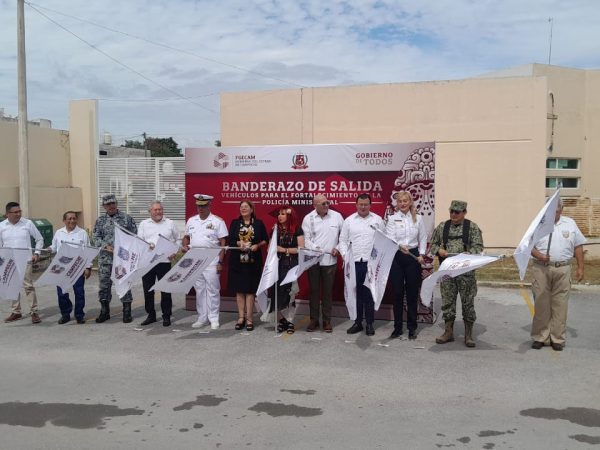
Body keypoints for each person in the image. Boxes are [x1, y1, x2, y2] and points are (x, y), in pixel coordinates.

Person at [530, 201, 586, 351]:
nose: (552, 214)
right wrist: (540, 256)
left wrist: (581, 267)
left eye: (555, 210)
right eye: (549, 210)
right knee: (541, 303)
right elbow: (529, 246)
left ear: (561, 210)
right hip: (542, 268)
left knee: (560, 305)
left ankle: (557, 338)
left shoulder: (570, 224)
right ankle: (540, 337)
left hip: (563, 269)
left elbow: (578, 246)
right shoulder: (538, 223)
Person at [429, 200, 484, 347]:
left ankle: (468, 335)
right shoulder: (442, 227)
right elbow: (432, 245)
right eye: (451, 211)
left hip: (466, 272)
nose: (453, 214)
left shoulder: (472, 227)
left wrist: (469, 253)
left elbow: (479, 247)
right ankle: (448, 332)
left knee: (468, 303)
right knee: (447, 302)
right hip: (447, 271)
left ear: (464, 212)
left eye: (457, 212)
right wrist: (439, 250)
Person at [338, 194, 384, 336]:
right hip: (354, 263)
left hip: (371, 264)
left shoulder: (378, 220)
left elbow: (383, 240)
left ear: (370, 205)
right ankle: (357, 322)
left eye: (366, 204)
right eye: (360, 204)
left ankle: (369, 323)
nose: (363, 207)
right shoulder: (349, 221)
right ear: (356, 204)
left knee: (369, 294)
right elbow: (342, 241)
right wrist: (345, 255)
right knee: (356, 293)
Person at [385, 191, 427, 340]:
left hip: (413, 257)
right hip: (397, 256)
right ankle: (397, 328)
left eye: (405, 201)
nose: (402, 203)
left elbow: (423, 237)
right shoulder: (392, 219)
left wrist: (421, 254)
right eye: (400, 201)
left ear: (410, 202)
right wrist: (398, 245)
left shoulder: (418, 218)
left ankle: (412, 328)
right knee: (397, 293)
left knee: (412, 293)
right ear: (396, 203)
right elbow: (389, 238)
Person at [182, 194, 228, 330]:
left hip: (211, 259)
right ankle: (202, 317)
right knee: (199, 290)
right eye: (198, 206)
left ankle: (214, 318)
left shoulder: (217, 221)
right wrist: (184, 246)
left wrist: (220, 262)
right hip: (195, 259)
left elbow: (223, 243)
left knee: (213, 290)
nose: (200, 209)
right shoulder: (191, 220)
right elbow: (186, 237)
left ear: (209, 205)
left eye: (203, 206)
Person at [302, 194, 344, 332]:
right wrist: (317, 249)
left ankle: (327, 320)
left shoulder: (337, 216)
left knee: (327, 292)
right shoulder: (308, 218)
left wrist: (338, 248)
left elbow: (344, 236)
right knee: (314, 291)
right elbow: (306, 239)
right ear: (315, 205)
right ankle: (314, 320)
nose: (327, 205)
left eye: (327, 202)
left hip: (330, 261)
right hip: (313, 260)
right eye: (323, 203)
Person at [93, 194, 137, 323]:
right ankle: (104, 311)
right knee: (104, 286)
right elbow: (96, 237)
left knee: (124, 283)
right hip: (105, 259)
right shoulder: (100, 221)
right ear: (104, 206)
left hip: (122, 260)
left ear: (116, 204)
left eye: (113, 203)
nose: (111, 206)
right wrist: (105, 245)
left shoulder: (126, 218)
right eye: (108, 204)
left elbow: (134, 235)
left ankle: (127, 312)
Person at [227, 200, 268, 332]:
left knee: (250, 290)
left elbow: (265, 239)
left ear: (251, 209)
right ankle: (241, 318)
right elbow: (230, 240)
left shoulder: (258, 223)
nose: (243, 209)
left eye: (246, 207)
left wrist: (257, 245)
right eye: (241, 207)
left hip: (253, 262)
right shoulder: (235, 223)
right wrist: (238, 243)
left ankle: (249, 318)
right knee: (239, 290)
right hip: (237, 261)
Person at [137, 201, 179, 327]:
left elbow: (178, 239)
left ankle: (166, 316)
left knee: (165, 289)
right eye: (155, 210)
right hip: (148, 262)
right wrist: (146, 247)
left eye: (160, 209)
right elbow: (139, 241)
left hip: (164, 261)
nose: (158, 212)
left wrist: (174, 251)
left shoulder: (170, 223)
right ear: (150, 211)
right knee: (148, 290)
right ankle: (151, 315)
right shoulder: (144, 224)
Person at [1, 202, 44, 324]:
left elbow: (39, 239)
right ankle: (16, 312)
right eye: (15, 212)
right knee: (12, 286)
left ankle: (34, 312)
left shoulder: (27, 223)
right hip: (9, 262)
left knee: (28, 286)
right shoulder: (1, 226)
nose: (18, 214)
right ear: (8, 214)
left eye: (19, 211)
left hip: (25, 260)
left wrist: (36, 253)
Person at [50, 211, 92, 324]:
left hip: (77, 267)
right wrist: (48, 249)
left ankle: (79, 314)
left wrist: (88, 267)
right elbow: (54, 247)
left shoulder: (82, 233)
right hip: (61, 267)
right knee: (61, 293)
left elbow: (87, 250)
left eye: (74, 218)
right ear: (64, 220)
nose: (72, 221)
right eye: (69, 219)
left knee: (79, 292)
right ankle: (65, 314)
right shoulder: (59, 233)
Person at [270, 205, 304, 334]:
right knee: (277, 293)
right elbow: (270, 248)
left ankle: (290, 321)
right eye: (279, 214)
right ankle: (281, 321)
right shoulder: (275, 230)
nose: (279, 216)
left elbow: (301, 248)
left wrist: (284, 250)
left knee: (289, 294)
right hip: (276, 266)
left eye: (283, 214)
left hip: (291, 265)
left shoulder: (297, 229)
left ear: (289, 215)